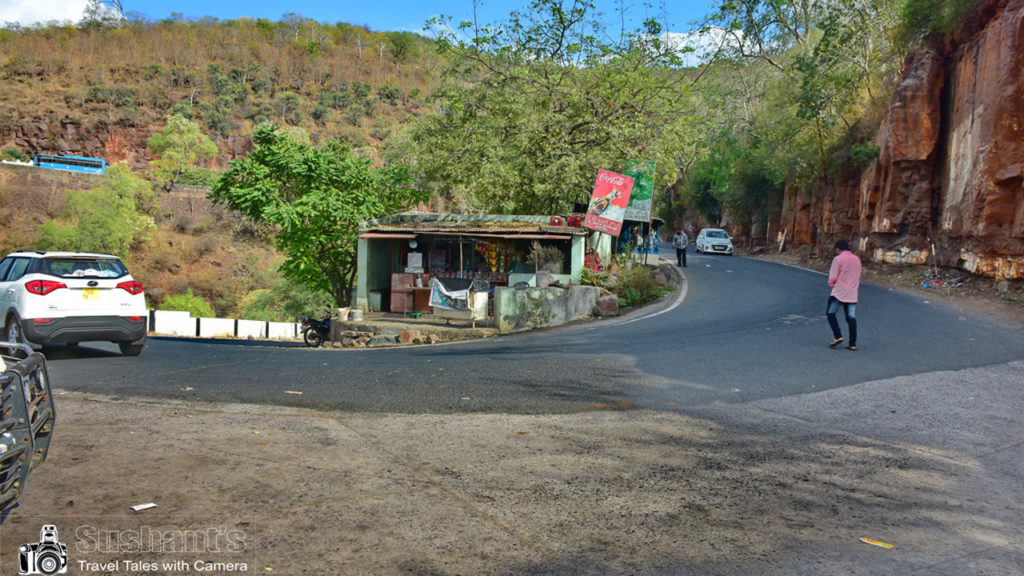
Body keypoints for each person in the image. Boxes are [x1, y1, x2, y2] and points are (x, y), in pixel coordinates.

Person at [827, 239, 862, 350]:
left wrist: (832, 283)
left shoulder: (838, 259)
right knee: (851, 317)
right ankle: (852, 343)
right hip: (852, 292)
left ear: (838, 249)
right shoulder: (857, 259)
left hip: (839, 292)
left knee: (830, 313)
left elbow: (832, 276)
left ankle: (838, 336)